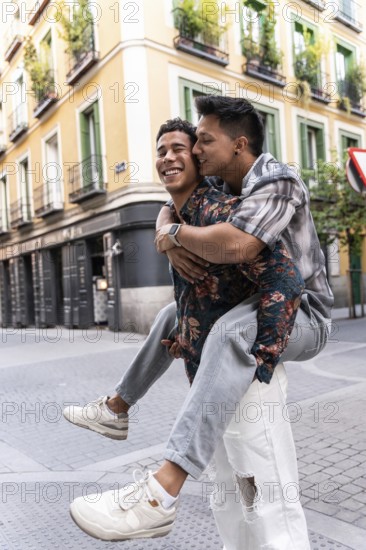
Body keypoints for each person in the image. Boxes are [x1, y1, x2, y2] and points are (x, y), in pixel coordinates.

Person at [66, 97, 333, 548]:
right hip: (249, 310)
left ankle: (161, 490)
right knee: (175, 315)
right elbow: (178, 202)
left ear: (239, 144)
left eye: (204, 140)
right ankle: (116, 407)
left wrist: (171, 235)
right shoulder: (219, 182)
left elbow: (239, 246)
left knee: (231, 336)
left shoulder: (277, 180)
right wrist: (166, 229)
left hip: (301, 313)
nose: (194, 150)